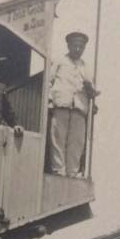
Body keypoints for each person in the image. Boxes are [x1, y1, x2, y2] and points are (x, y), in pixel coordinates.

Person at [48, 31, 98, 177]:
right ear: (69, 45)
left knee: (76, 141)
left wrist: (91, 92)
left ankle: (72, 171)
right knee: (58, 138)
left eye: (81, 46)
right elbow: (48, 82)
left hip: (79, 107)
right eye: (75, 45)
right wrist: (50, 101)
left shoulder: (86, 67)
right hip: (61, 104)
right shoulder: (59, 62)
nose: (77, 49)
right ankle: (59, 169)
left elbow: (91, 89)